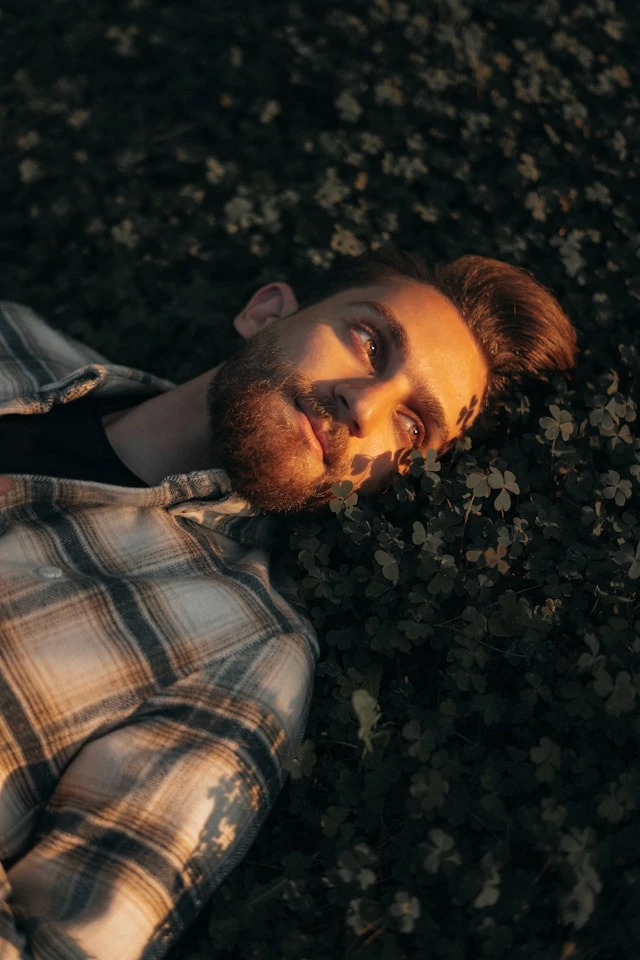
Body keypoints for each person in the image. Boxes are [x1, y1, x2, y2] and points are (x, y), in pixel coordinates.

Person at [0, 248, 576, 958]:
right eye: (370, 342)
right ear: (266, 311)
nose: (364, 406)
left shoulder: (244, 654)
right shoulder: (14, 338)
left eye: (412, 426)